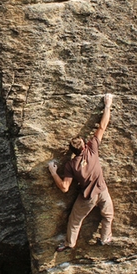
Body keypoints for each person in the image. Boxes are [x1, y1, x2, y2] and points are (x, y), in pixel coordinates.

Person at [48, 93, 114, 252]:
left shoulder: (71, 165)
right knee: (108, 216)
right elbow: (102, 126)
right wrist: (107, 105)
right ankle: (105, 238)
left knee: (75, 220)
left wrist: (53, 171)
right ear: (84, 146)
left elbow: (64, 187)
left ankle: (69, 244)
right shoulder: (92, 149)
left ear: (72, 151)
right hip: (102, 190)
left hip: (88, 197)